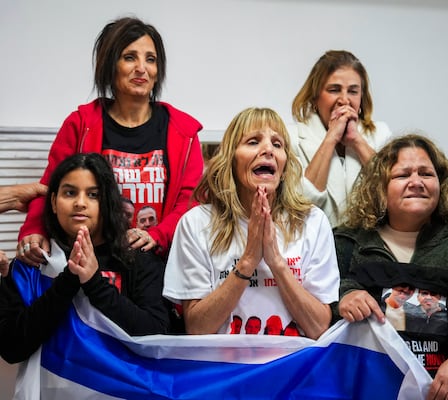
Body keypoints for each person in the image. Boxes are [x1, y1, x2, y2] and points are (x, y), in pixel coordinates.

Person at [16, 16, 203, 265]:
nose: (141, 68)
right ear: (109, 66)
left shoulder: (183, 131)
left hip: (157, 264)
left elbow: (190, 202)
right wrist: (33, 229)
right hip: (90, 261)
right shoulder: (80, 123)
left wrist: (158, 234)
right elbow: (50, 187)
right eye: (129, 57)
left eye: (151, 59)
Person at [335, 134, 448, 399]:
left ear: (441, 183)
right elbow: (317, 314)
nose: (416, 182)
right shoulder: (346, 243)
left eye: (426, 173)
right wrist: (345, 295)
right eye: (402, 175)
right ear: (380, 186)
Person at [163, 107, 340, 339]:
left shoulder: (312, 221)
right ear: (231, 161)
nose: (268, 150)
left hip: (293, 370)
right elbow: (197, 328)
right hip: (229, 372)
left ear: (284, 169)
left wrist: (276, 262)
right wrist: (247, 262)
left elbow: (319, 328)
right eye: (253, 141)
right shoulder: (196, 223)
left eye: (278, 144)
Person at [0, 153, 171, 364]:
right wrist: (69, 278)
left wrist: (94, 283)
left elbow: (157, 336)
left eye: (93, 195)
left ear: (107, 202)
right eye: (70, 193)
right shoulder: (32, 261)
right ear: (53, 202)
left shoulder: (138, 257)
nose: (80, 203)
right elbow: (11, 349)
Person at [289, 50, 393, 227]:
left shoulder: (381, 134)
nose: (344, 100)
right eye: (334, 90)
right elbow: (300, 206)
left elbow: (393, 194)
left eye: (353, 91)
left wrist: (357, 141)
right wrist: (330, 139)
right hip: (316, 246)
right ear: (315, 97)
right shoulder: (292, 138)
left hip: (369, 245)